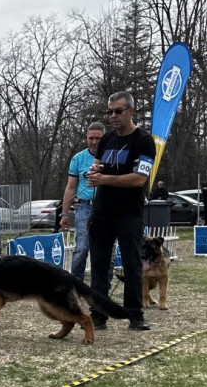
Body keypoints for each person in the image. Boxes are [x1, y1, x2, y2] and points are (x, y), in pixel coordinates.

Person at [86, 90, 153, 332]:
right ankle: (98, 314)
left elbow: (139, 178)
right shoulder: (106, 140)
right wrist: (93, 174)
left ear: (131, 111)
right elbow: (96, 168)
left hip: (129, 212)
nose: (113, 116)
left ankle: (135, 314)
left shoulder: (143, 141)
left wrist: (104, 179)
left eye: (118, 111)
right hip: (102, 212)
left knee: (132, 263)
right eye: (109, 112)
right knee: (100, 264)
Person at [60, 123, 103, 280]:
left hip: (105, 207)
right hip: (84, 207)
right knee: (81, 248)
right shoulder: (78, 158)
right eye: (91, 138)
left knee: (105, 250)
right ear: (86, 137)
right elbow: (70, 187)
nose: (94, 142)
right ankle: (76, 285)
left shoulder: (111, 156)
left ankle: (103, 287)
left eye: (98, 138)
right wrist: (64, 213)